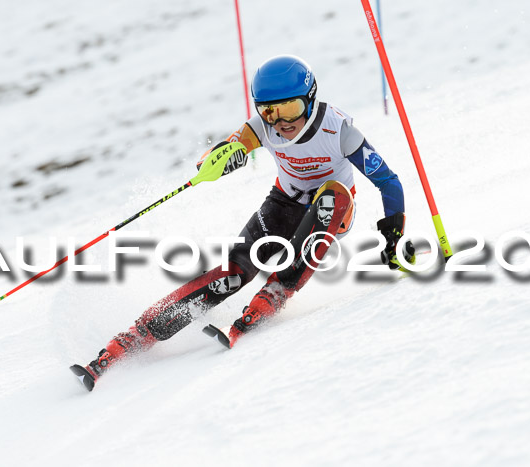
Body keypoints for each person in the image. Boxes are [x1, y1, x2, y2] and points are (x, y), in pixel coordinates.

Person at [74, 55, 414, 388]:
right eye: (269, 111)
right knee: (233, 273)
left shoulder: (339, 130)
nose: (281, 122)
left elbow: (388, 181)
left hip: (334, 211)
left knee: (331, 195)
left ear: (310, 99)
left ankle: (277, 289)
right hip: (284, 204)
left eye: (291, 109)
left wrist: (392, 234)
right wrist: (224, 158)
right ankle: (141, 332)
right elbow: (228, 147)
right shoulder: (261, 128)